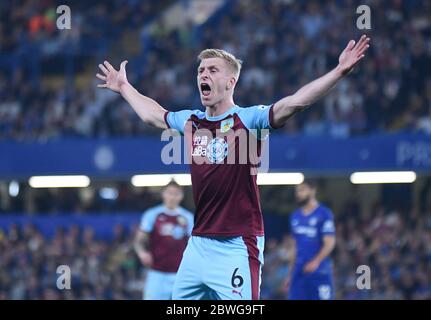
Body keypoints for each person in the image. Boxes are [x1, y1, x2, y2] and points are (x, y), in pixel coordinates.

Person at [97, 34, 370, 299]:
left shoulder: (249, 120)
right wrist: (123, 87)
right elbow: (153, 115)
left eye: (212, 70)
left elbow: (295, 102)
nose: (203, 74)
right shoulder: (192, 121)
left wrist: (339, 71)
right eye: (201, 70)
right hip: (198, 244)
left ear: (230, 82)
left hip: (237, 245)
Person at [133, 180, 193, 299]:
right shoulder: (152, 214)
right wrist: (141, 253)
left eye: (176, 193)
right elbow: (138, 240)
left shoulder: (188, 217)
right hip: (157, 273)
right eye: (169, 193)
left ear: (181, 196)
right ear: (163, 194)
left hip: (181, 275)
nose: (172, 197)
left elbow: (194, 243)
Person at [284, 180, 336, 300]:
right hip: (299, 271)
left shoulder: (324, 214)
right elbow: (294, 247)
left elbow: (329, 242)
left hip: (319, 271)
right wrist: (290, 274)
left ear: (312, 191)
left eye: (302, 190)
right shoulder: (295, 216)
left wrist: (315, 261)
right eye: (297, 191)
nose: (298, 194)